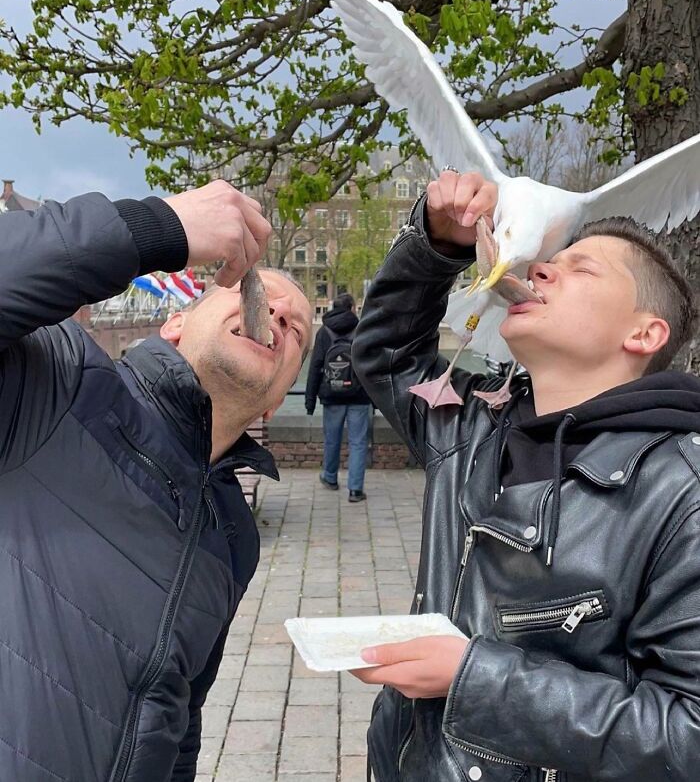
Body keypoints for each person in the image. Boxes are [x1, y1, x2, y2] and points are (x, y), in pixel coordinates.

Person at [351, 169, 700, 782]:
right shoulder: (466, 426)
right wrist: (437, 243)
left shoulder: (682, 492)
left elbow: (686, 734)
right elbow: (386, 355)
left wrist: (472, 678)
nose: (540, 268)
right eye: (547, 261)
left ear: (645, 334)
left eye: (581, 269)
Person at [0, 180, 312, 782]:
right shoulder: (59, 383)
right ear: (174, 326)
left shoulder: (233, 534)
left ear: (277, 398)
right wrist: (152, 229)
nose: (276, 314)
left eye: (296, 330)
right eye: (258, 293)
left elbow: (178, 711)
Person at [305, 292, 371, 502]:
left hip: (331, 394)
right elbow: (370, 365)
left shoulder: (324, 332)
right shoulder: (362, 329)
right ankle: (355, 490)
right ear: (352, 307)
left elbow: (315, 367)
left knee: (332, 440)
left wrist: (310, 401)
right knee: (358, 442)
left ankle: (330, 478)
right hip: (359, 396)